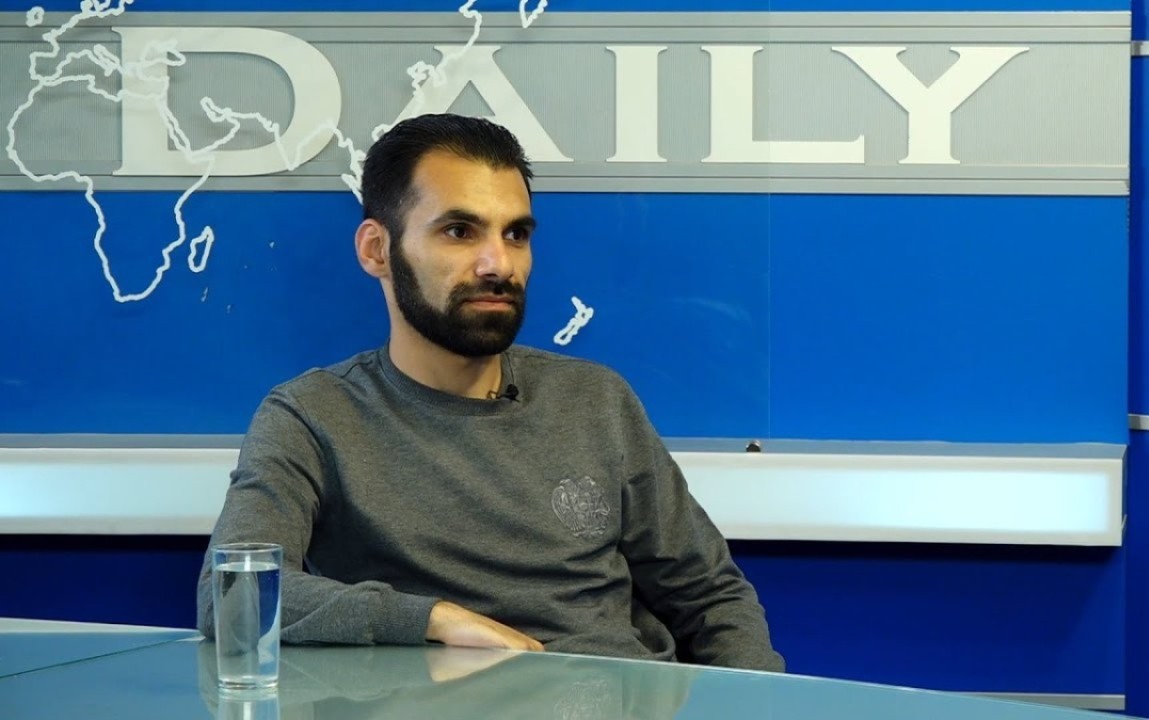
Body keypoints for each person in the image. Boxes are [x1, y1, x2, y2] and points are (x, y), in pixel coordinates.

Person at [196, 113, 784, 673]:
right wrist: (432, 620)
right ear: (377, 250)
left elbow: (711, 596)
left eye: (516, 234)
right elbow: (234, 595)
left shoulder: (597, 400)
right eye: (459, 231)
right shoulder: (312, 417)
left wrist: (761, 703)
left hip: (622, 694)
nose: (498, 264)